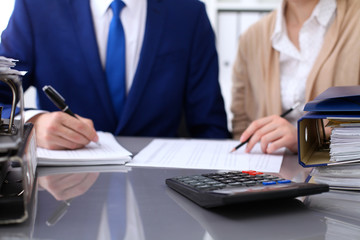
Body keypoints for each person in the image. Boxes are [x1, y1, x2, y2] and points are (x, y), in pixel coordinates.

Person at [0, 0, 230, 150]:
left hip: (161, 192)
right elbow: (2, 98)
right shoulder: (36, 7)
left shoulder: (188, 13)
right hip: (64, 194)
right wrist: (31, 124)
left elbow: (210, 126)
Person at [231, 0, 360, 154]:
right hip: (268, 174)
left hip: (339, 174)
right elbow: (241, 125)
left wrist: (307, 137)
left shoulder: (355, 20)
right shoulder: (251, 38)